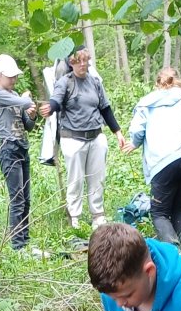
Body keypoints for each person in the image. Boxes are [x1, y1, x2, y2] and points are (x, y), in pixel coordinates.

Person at [39, 49, 126, 230]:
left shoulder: (94, 82)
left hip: (96, 136)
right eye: (79, 61)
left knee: (97, 178)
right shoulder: (65, 82)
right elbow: (56, 100)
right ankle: (75, 217)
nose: (83, 64)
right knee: (76, 180)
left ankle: (98, 215)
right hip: (73, 139)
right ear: (71, 63)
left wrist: (117, 132)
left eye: (86, 61)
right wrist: (51, 108)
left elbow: (105, 109)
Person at [127, 66, 181, 250]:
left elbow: (136, 131)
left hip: (163, 161)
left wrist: (134, 143)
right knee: (180, 207)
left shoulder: (147, 103)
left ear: (157, 83)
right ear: (179, 81)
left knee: (159, 212)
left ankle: (173, 251)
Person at [0, 53, 38, 253]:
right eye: (10, 76)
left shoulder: (15, 96)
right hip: (8, 150)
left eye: (15, 76)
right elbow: (25, 103)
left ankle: (24, 240)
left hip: (21, 147)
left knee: (25, 198)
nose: (14, 79)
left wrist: (32, 116)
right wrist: (27, 101)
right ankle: (18, 246)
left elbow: (28, 126)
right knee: (17, 198)